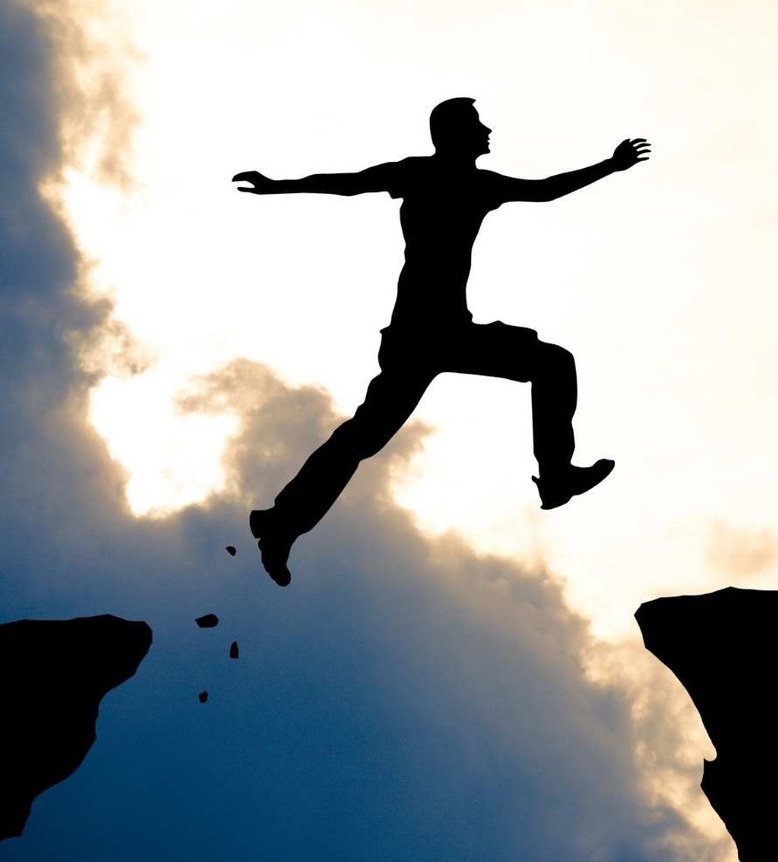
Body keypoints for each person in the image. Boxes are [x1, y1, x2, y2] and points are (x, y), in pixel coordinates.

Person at [234, 97, 649, 585]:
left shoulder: (473, 183)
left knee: (367, 434)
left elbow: (545, 192)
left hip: (443, 333)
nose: (488, 130)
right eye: (478, 124)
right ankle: (555, 475)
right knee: (545, 366)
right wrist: (281, 186)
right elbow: (350, 184)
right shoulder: (431, 176)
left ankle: (281, 522)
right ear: (455, 134)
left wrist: (610, 166)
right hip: (424, 335)